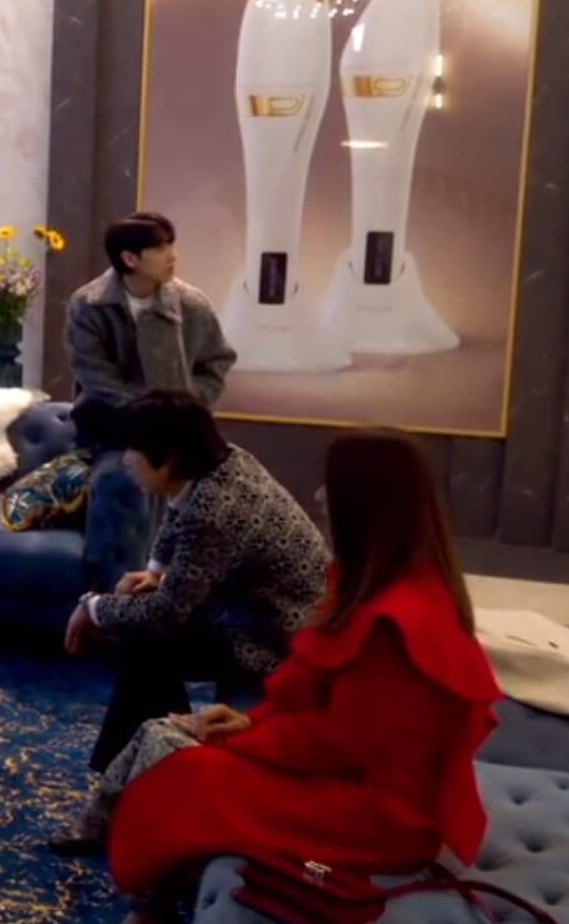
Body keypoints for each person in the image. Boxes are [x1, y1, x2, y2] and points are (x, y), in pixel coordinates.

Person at [102, 430, 503, 923]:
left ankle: (156, 899)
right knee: (181, 757)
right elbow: (318, 699)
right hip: (352, 783)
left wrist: (247, 739)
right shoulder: (381, 582)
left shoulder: (396, 622)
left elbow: (339, 742)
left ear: (363, 502)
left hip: (379, 817)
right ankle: (161, 890)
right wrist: (252, 723)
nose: (318, 496)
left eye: (330, 485)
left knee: (187, 776)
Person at [61, 391, 329, 787]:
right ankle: (144, 766)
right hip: (250, 606)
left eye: (134, 450)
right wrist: (155, 570)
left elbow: (168, 610)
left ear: (168, 459)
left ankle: (155, 769)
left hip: (271, 635)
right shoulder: (224, 462)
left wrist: (92, 606)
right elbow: (177, 510)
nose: (127, 461)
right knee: (145, 642)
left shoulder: (215, 510)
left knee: (148, 638)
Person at [65, 213, 237, 408]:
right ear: (130, 259)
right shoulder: (89, 305)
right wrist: (140, 410)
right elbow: (92, 372)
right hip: (107, 419)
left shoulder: (192, 304)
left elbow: (217, 360)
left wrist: (190, 400)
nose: (173, 256)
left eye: (171, 246)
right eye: (160, 249)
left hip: (176, 420)